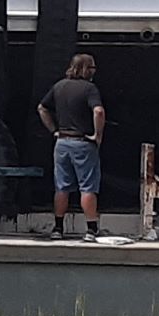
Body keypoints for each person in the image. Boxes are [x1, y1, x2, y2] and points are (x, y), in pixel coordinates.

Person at [37, 52, 106, 241]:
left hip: (62, 143)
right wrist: (97, 135)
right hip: (82, 142)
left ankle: (58, 228)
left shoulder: (59, 86)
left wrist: (54, 130)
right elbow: (98, 111)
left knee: (62, 187)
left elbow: (42, 108)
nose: (94, 71)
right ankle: (91, 229)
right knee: (88, 187)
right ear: (85, 69)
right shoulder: (90, 89)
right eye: (92, 67)